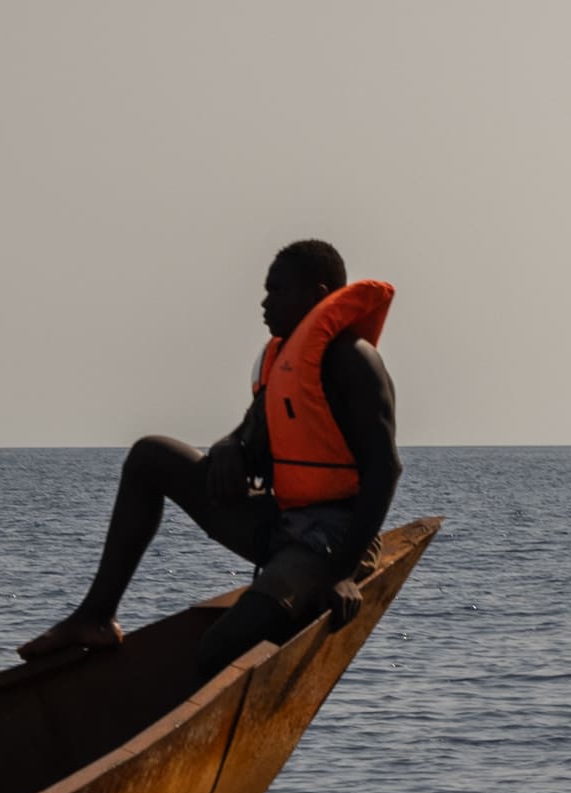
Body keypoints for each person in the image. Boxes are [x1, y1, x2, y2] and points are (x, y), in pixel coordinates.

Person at [20, 239, 401, 679]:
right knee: (150, 456)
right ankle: (95, 617)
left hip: (331, 540)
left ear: (317, 296)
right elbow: (245, 433)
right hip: (279, 522)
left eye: (276, 291)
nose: (264, 303)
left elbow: (385, 469)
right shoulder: (285, 364)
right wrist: (227, 449)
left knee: (218, 650)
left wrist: (341, 573)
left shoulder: (355, 361)